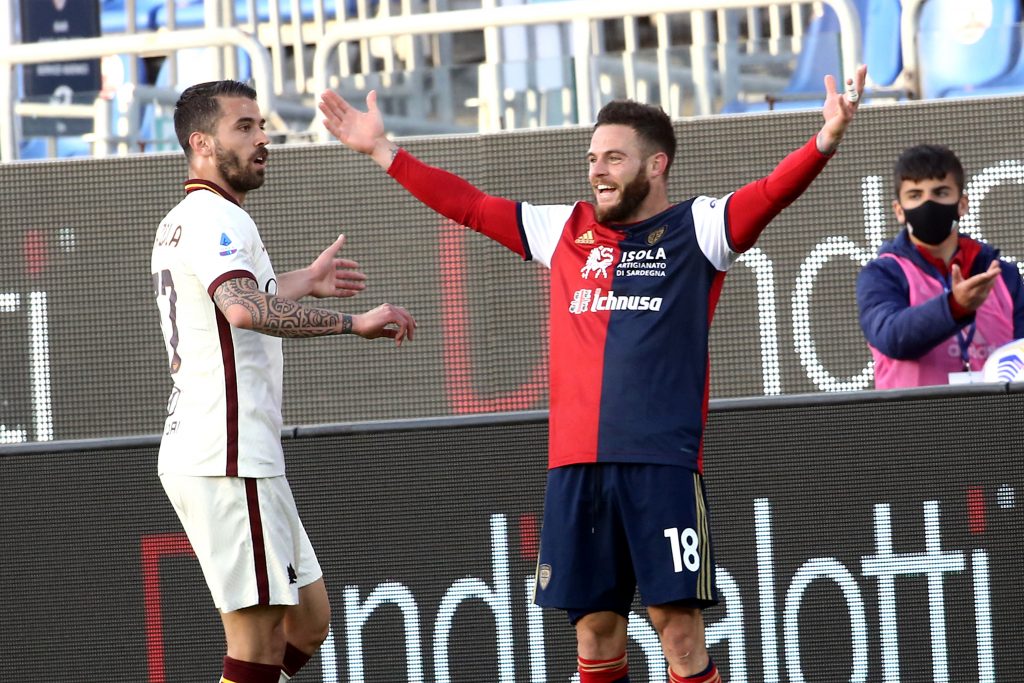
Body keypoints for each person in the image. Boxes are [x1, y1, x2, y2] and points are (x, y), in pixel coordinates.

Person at [319, 65, 865, 682]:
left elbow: (770, 191)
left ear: (656, 165)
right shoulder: (565, 230)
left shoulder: (701, 229)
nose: (596, 170)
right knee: (596, 632)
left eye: (612, 158)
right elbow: (468, 206)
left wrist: (826, 139)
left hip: (660, 465)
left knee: (678, 630)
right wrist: (383, 151)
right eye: (592, 158)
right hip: (574, 466)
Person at [151, 80, 416, 683]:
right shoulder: (213, 217)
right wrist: (353, 322)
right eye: (243, 127)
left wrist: (302, 281)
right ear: (200, 143)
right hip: (227, 452)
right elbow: (244, 309)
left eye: (261, 125)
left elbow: (231, 302)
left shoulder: (192, 217)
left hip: (235, 450)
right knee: (258, 640)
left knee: (308, 622)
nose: (263, 138)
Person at [856, 143, 1024, 389]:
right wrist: (955, 307)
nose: (928, 203)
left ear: (962, 204)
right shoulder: (882, 274)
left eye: (941, 192)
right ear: (899, 211)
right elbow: (892, 337)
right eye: (915, 195)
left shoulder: (1003, 275)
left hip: (997, 423)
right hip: (913, 424)